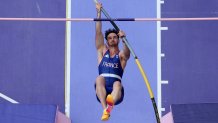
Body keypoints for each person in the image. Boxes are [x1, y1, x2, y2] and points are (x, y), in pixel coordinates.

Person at [95, 3, 130, 121]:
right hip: (102, 91)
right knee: (99, 78)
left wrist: (125, 40)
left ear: (118, 39)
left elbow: (127, 54)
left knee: (117, 84)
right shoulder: (102, 51)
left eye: (115, 37)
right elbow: (98, 32)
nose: (112, 39)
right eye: (109, 38)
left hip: (117, 94)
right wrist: (98, 13)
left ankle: (109, 108)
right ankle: (105, 110)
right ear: (107, 41)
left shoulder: (120, 55)